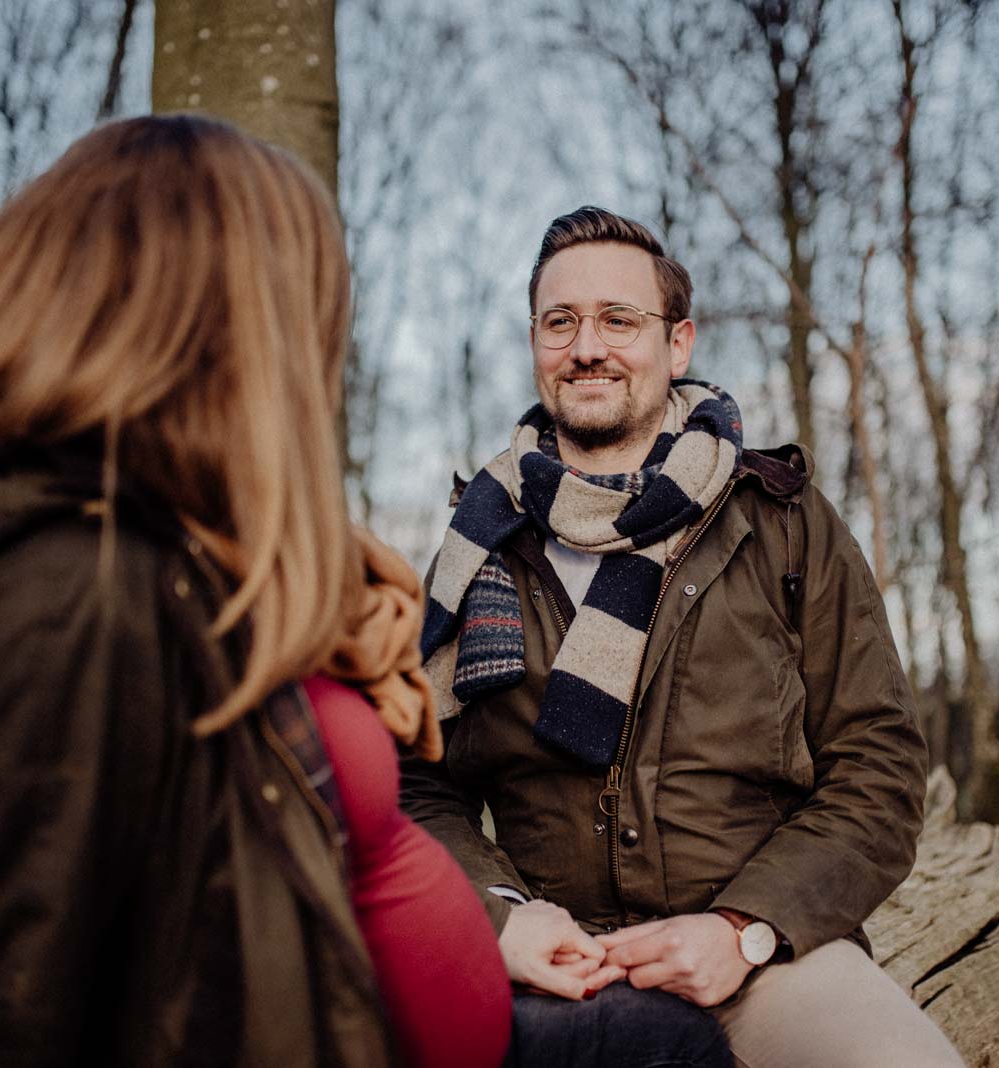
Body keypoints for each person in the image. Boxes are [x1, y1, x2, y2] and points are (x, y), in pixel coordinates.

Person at [0, 115, 511, 1068]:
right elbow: (7, 1028)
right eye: (302, 311)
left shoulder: (177, 553)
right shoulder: (76, 596)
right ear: (220, 323)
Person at [401, 206, 967, 1068]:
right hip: (555, 966)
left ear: (677, 345)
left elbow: (879, 767)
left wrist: (742, 930)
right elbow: (414, 785)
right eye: (561, 322)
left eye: (618, 320)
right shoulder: (478, 543)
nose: (587, 345)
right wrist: (498, 917)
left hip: (762, 961)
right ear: (536, 344)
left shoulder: (781, 520)